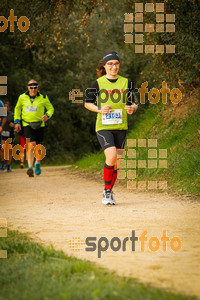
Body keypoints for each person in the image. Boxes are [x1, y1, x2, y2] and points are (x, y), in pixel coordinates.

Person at [85, 51, 138, 205]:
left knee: (117, 162)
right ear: (105, 65)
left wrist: (132, 108)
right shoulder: (98, 83)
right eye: (110, 64)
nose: (114, 67)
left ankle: (108, 190)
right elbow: (87, 103)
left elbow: (134, 102)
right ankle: (107, 192)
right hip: (103, 127)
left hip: (121, 127)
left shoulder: (127, 83)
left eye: (116, 63)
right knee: (112, 156)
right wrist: (100, 109)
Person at [14, 79, 54, 177]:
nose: (33, 89)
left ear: (38, 87)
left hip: (40, 124)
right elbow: (17, 109)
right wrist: (17, 122)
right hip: (27, 124)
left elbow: (51, 108)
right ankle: (30, 167)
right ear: (28, 88)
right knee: (31, 144)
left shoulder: (43, 97)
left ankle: (37, 163)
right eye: (31, 87)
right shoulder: (22, 97)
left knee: (38, 146)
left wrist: (47, 116)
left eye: (35, 87)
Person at [0, 101, 15, 172]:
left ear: (9, 107)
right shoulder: (1, 114)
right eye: (4, 106)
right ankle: (3, 163)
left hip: (10, 134)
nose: (6, 108)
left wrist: (14, 125)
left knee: (9, 150)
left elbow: (17, 124)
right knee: (2, 149)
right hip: (2, 133)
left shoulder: (12, 114)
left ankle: (8, 166)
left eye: (7, 106)